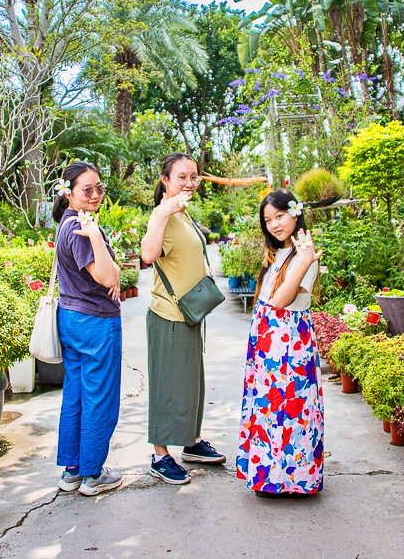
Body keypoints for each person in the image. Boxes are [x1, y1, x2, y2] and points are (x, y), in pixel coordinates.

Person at [140, 152, 226, 485]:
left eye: (194, 176)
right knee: (167, 385)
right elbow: (148, 255)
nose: (190, 183)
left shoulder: (181, 209)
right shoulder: (163, 212)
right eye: (182, 177)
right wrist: (162, 212)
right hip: (169, 315)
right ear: (165, 180)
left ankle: (190, 441)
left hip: (189, 313)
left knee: (191, 383)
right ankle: (159, 455)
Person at [237, 189, 324, 498]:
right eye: (268, 220)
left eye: (280, 216)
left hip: (290, 340)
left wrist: (304, 258)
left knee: (291, 409)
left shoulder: (306, 255)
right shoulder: (278, 254)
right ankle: (267, 476)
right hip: (267, 339)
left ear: (296, 213)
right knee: (268, 406)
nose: (274, 224)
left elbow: (282, 300)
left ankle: (292, 479)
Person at [52, 161, 125, 496]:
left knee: (77, 395)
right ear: (69, 193)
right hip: (95, 321)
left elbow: (107, 270)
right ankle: (93, 474)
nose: (95, 195)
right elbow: (106, 277)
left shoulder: (66, 223)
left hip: (72, 318)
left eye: (99, 188)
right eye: (87, 189)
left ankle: (73, 471)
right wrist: (96, 235)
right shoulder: (81, 227)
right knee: (99, 398)